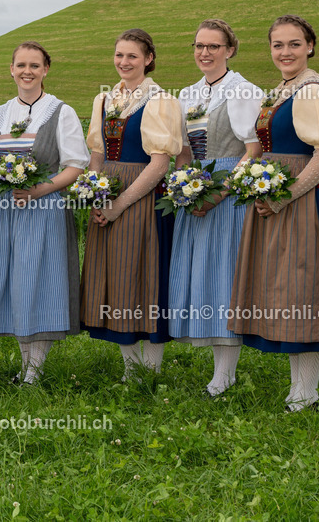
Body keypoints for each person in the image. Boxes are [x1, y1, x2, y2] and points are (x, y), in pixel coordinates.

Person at [228, 14, 319, 412]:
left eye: (294, 44)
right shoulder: (282, 91)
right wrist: (244, 184)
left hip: (305, 202)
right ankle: (298, 387)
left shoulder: (315, 91)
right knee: (285, 289)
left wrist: (287, 195)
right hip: (274, 198)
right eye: (278, 45)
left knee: (305, 289)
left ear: (310, 46)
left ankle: (307, 392)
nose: (285, 52)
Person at [0, 41, 88, 385]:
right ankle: (24, 365)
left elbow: (75, 165)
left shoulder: (60, 111)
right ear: (11, 69)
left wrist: (41, 190)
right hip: (2, 211)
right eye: (21, 65)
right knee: (12, 284)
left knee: (37, 282)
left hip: (43, 209)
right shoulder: (0, 113)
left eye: (35, 65)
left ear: (46, 70)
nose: (27, 71)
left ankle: (34, 370)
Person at [80, 29, 183, 381]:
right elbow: (96, 152)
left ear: (149, 59)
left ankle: (151, 368)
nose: (124, 62)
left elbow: (160, 163)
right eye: (119, 55)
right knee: (113, 278)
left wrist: (120, 204)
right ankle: (131, 367)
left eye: (132, 57)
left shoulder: (160, 100)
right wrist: (95, 191)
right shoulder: (104, 99)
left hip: (142, 196)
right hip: (107, 192)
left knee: (144, 277)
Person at [168, 20, 263, 396]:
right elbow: (185, 151)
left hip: (229, 189)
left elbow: (253, 150)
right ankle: (217, 367)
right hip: (195, 187)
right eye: (198, 46)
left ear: (230, 50)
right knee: (202, 272)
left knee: (224, 274)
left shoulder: (244, 90)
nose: (204, 53)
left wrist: (219, 192)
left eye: (213, 46)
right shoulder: (188, 93)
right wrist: (184, 186)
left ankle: (225, 374)